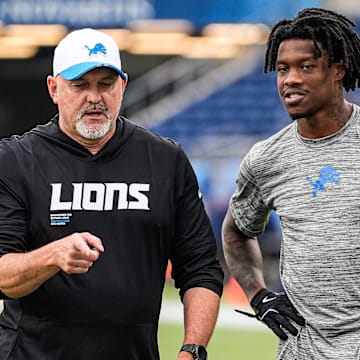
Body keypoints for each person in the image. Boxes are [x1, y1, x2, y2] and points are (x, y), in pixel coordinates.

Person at [0, 28, 223, 360]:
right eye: (80, 85)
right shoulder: (16, 160)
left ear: (123, 86)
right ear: (54, 88)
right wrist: (53, 256)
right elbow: (4, 274)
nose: (94, 97)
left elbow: (202, 268)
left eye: (105, 84)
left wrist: (193, 349)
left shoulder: (165, 160)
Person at [222, 7, 360, 359]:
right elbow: (236, 230)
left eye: (307, 67)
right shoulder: (267, 159)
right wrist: (258, 295)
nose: (290, 79)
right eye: (283, 69)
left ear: (338, 71)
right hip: (304, 351)